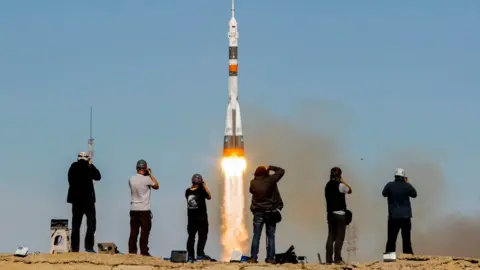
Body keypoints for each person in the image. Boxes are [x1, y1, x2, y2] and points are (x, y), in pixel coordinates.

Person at [249, 165, 285, 264]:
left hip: (258, 212)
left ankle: (253, 257)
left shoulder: (253, 182)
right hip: (270, 212)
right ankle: (270, 258)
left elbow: (251, 191)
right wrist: (270, 167)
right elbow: (281, 170)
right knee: (271, 236)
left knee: (256, 235)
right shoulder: (270, 180)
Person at [67, 151, 102, 253]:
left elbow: (70, 180)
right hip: (88, 200)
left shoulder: (73, 167)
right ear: (87, 158)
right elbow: (98, 176)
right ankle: (89, 247)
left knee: (75, 225)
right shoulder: (88, 167)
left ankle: (75, 248)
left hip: (76, 200)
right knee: (91, 223)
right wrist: (91, 165)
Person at [382, 168, 417, 255]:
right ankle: (408, 256)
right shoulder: (407, 185)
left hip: (393, 217)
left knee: (391, 239)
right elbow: (414, 194)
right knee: (406, 239)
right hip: (406, 217)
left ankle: (389, 258)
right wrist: (407, 183)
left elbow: (384, 193)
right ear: (404, 177)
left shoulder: (389, 185)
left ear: (395, 176)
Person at [128, 159, 159, 256]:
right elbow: (156, 185)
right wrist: (150, 174)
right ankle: (144, 251)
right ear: (145, 168)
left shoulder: (131, 179)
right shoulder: (147, 179)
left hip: (133, 209)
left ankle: (132, 251)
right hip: (144, 210)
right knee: (144, 232)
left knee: (133, 232)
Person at [324, 166, 352, 265]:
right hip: (340, 214)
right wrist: (343, 181)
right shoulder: (340, 185)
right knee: (339, 238)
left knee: (331, 236)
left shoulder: (327, 185)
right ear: (339, 175)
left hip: (330, 214)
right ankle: (337, 259)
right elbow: (350, 190)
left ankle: (328, 260)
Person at [185, 173, 212, 262]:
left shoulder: (187, 191)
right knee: (202, 235)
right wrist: (204, 185)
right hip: (201, 218)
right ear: (200, 182)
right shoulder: (201, 190)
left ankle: (190, 256)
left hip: (191, 219)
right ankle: (200, 254)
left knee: (191, 237)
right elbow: (209, 196)